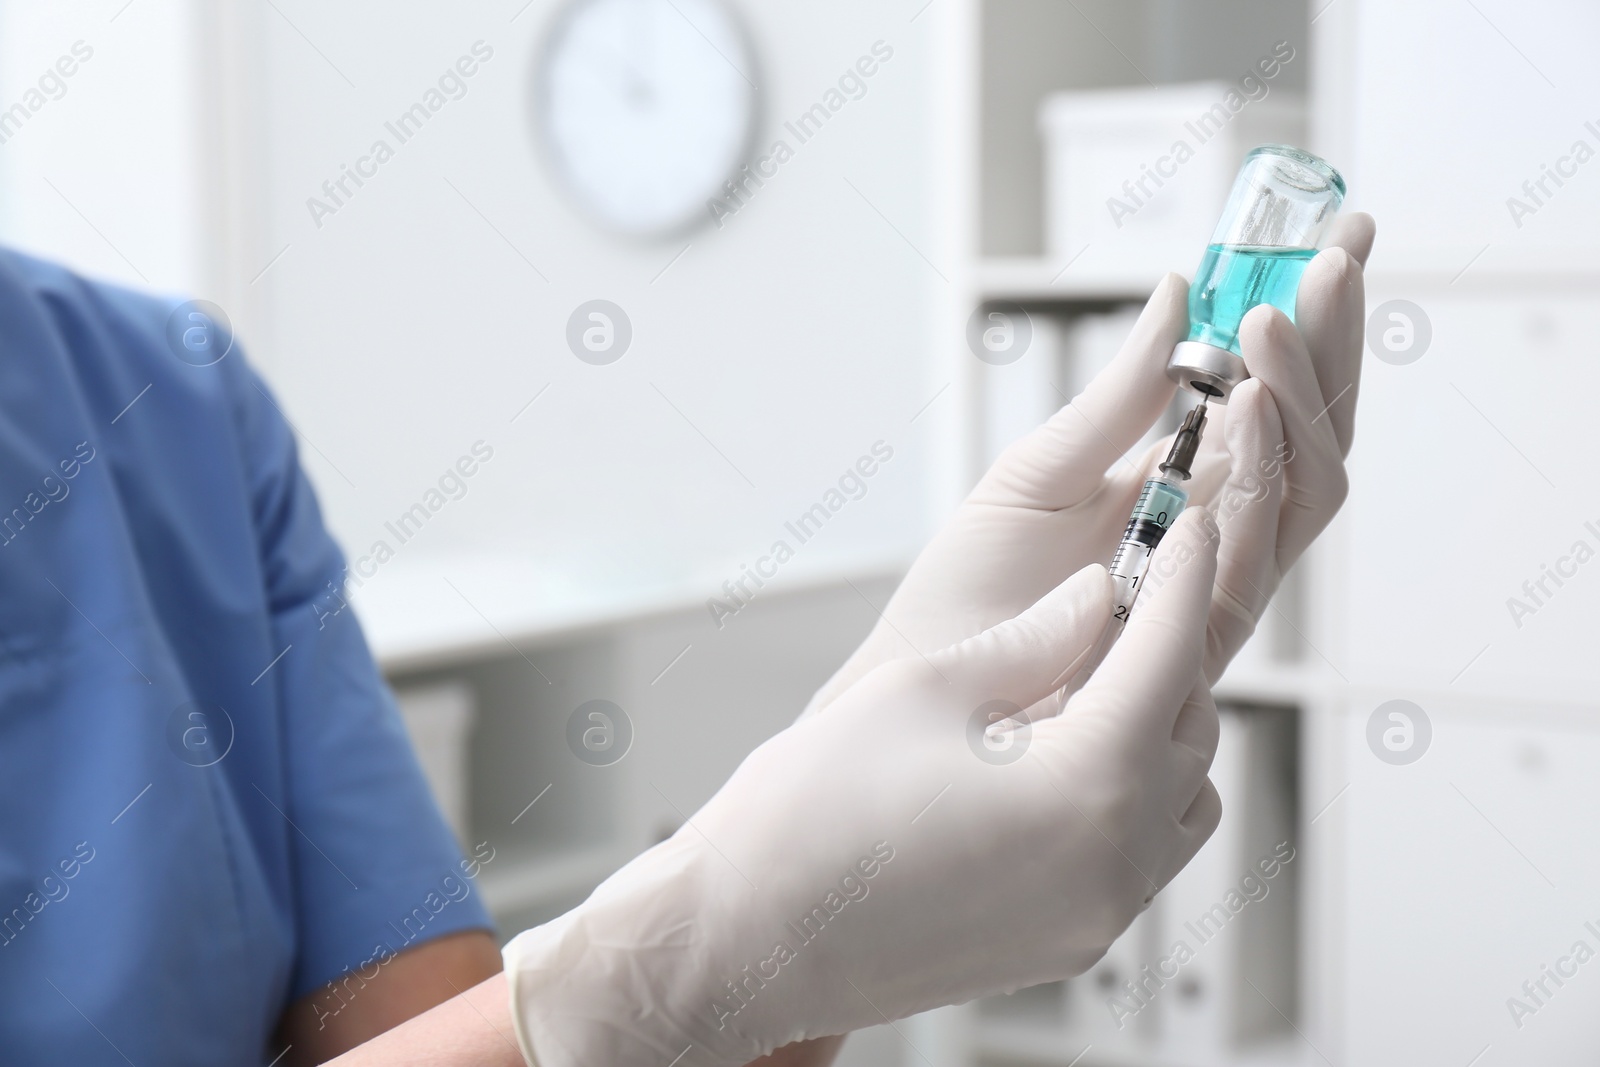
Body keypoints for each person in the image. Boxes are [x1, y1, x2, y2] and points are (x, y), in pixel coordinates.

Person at [0, 204, 1373, 1067]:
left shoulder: (156, 392)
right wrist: (680, 961)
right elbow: (571, 1032)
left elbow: (450, 1043)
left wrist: (801, 923)